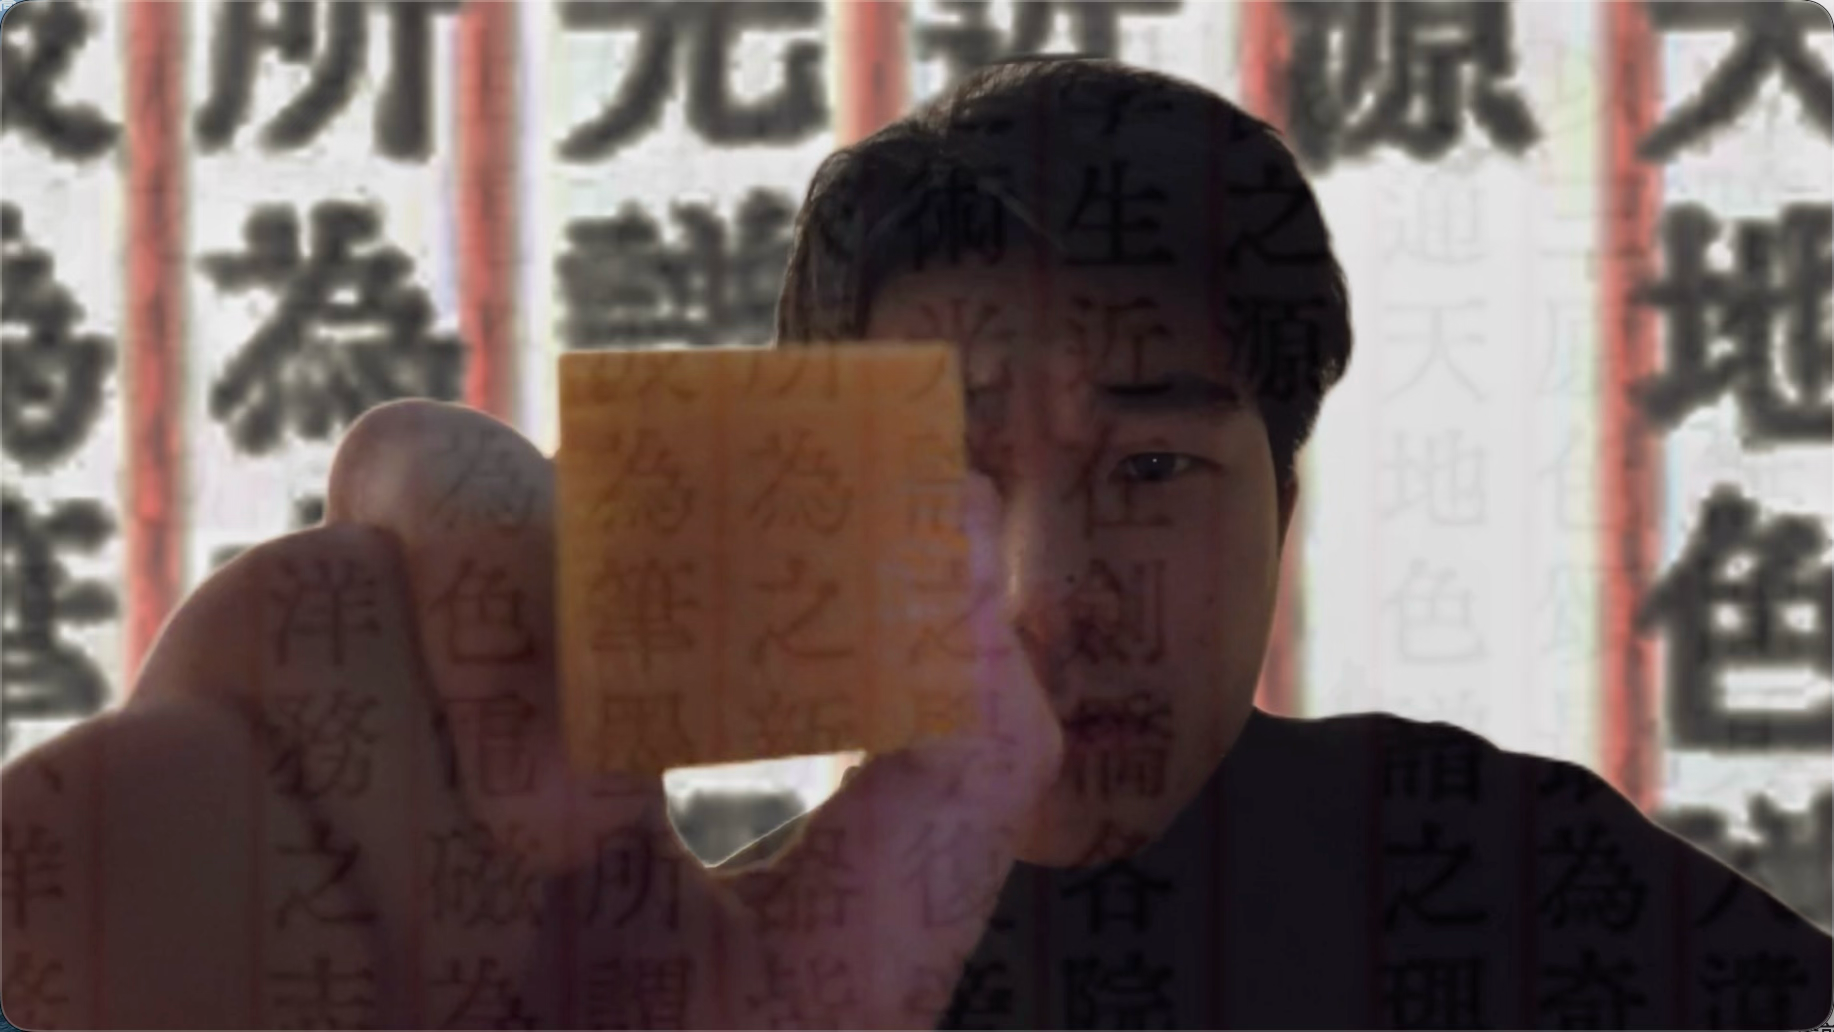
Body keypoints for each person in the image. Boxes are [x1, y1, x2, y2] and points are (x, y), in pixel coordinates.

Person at [1, 57, 1826, 1031]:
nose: (1043, 599)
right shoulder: (665, 981)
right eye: (945, 492)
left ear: (1286, 500)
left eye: (1153, 470)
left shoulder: (1501, 869)